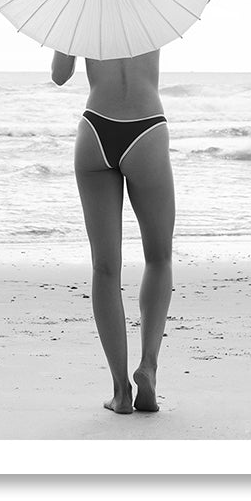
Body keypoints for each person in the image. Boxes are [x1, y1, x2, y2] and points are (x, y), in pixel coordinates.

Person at [51, 48, 174, 414]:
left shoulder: (81, 10)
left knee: (105, 268)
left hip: (96, 129)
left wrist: (67, 39)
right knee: (158, 256)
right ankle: (148, 366)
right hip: (146, 126)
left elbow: (59, 75)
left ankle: (121, 392)